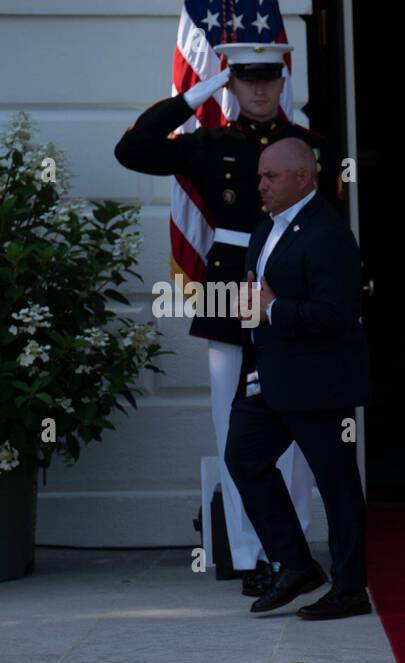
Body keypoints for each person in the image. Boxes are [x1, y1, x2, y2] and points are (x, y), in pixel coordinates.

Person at [114, 42, 342, 596]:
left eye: (269, 79)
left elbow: (331, 228)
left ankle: (294, 549)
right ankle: (250, 554)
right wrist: (197, 94)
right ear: (232, 84)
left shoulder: (312, 146)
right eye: (246, 80)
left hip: (288, 288)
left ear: (283, 81)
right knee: (233, 427)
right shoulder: (210, 143)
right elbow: (134, 149)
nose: (260, 90)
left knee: (295, 424)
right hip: (227, 292)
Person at [224, 137, 370, 621]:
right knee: (243, 459)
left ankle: (351, 589)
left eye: (270, 176)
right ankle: (297, 564)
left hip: (319, 382)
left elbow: (336, 313)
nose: (260, 184)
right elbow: (259, 296)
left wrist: (274, 309)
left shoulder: (328, 233)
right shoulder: (266, 226)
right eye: (261, 176)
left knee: (337, 485)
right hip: (270, 377)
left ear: (303, 177)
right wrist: (255, 313)